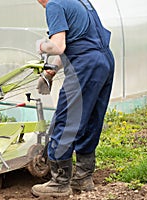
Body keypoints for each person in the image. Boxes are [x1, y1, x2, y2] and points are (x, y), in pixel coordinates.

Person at [32, 0, 115, 197]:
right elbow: (76, 43)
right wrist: (51, 71)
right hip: (104, 62)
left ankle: (60, 182)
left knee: (67, 119)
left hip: (85, 66)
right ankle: (83, 176)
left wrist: (41, 46)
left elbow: (58, 46)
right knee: (90, 119)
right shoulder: (79, 1)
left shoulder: (54, 5)